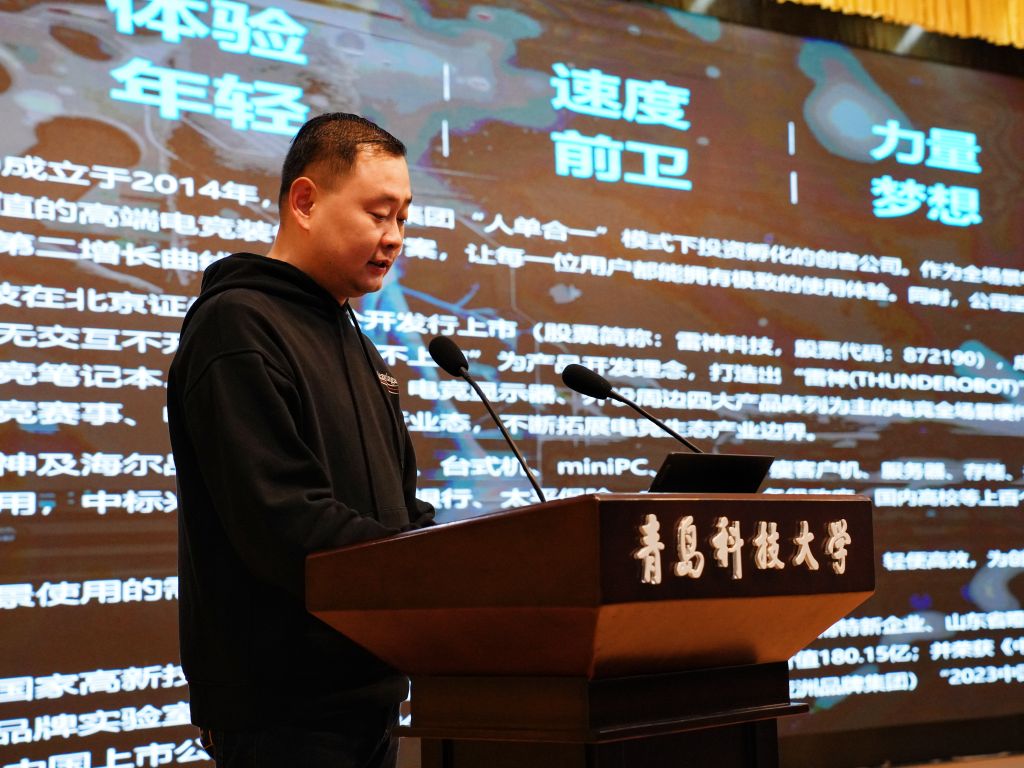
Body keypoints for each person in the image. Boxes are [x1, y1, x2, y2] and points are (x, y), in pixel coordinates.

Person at [167, 113, 435, 767]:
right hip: (282, 716)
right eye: (379, 214)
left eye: (403, 218)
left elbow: (399, 505)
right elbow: (281, 520)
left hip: (369, 697)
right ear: (306, 202)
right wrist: (423, 567)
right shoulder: (237, 325)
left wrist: (452, 561)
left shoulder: (356, 341)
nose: (394, 237)